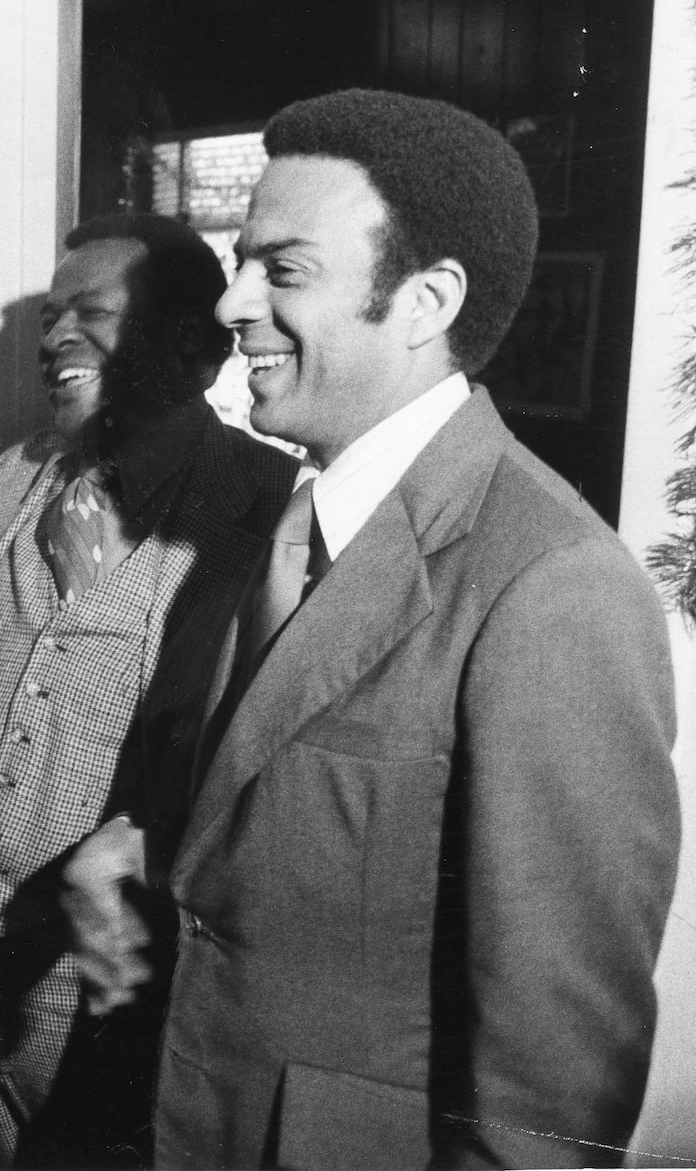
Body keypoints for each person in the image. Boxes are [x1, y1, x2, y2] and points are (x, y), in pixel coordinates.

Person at [62, 89, 681, 1168]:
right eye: (242, 260)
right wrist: (150, 848)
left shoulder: (553, 585)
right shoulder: (295, 519)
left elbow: (553, 1089)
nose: (231, 304)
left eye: (283, 271)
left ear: (426, 301)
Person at [0, 214, 298, 1170]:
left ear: (195, 348)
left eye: (91, 316)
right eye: (49, 322)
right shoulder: (13, 478)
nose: (55, 341)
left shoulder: (266, 509)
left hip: (102, 989)